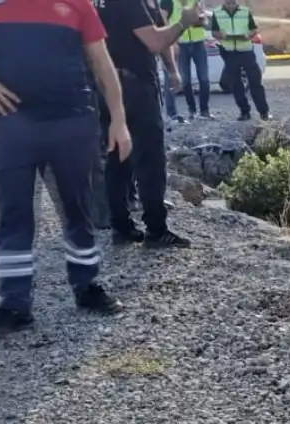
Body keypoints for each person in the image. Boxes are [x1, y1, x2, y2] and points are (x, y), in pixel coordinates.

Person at [0, 0, 131, 335]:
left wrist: (119, 120)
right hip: (14, 123)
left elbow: (101, 61)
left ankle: (88, 286)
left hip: (74, 120)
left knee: (78, 209)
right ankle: (14, 303)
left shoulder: (77, 3)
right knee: (14, 213)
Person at [96, 0, 199, 248]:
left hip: (107, 86)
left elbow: (156, 29)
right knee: (150, 160)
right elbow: (153, 40)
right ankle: (156, 229)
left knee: (117, 158)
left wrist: (171, 69)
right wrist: (185, 21)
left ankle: (121, 227)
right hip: (134, 86)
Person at [210, 0, 269, 121]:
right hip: (229, 51)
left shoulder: (245, 11)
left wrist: (248, 35)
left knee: (255, 81)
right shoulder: (217, 13)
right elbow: (214, 32)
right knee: (235, 84)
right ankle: (244, 111)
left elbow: (254, 29)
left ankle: (264, 112)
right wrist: (221, 35)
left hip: (246, 50)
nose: (231, 3)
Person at [169, 0, 211, 119]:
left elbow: (205, 21)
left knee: (204, 78)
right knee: (186, 80)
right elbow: (168, 23)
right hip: (181, 44)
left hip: (198, 43)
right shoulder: (172, 3)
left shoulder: (196, 2)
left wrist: (200, 20)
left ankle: (204, 110)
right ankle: (191, 110)